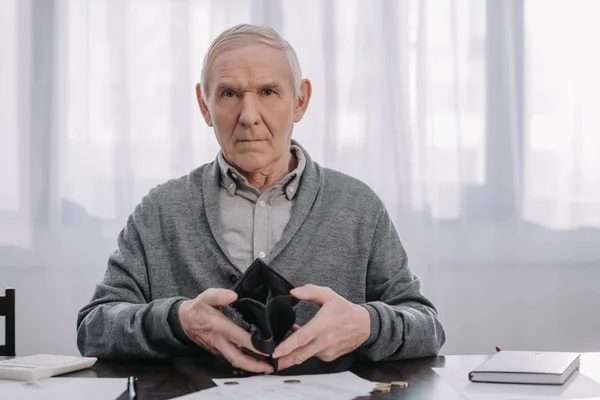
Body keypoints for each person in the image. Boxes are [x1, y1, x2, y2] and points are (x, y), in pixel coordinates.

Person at [77, 23, 445, 374]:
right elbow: (94, 328)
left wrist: (367, 324)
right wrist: (178, 321)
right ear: (204, 106)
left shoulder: (359, 207)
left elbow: (426, 327)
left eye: (268, 92)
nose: (248, 117)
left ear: (300, 101)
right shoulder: (159, 212)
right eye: (229, 94)